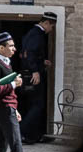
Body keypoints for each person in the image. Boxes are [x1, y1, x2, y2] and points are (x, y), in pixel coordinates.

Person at [19, 12, 56, 143]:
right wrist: (35, 70)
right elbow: (29, 53)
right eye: (51, 27)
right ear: (46, 23)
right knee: (38, 105)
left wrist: (42, 62)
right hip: (32, 75)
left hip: (27, 74)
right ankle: (21, 131)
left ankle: (30, 136)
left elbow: (26, 53)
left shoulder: (31, 33)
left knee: (32, 105)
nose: (51, 30)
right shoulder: (37, 34)